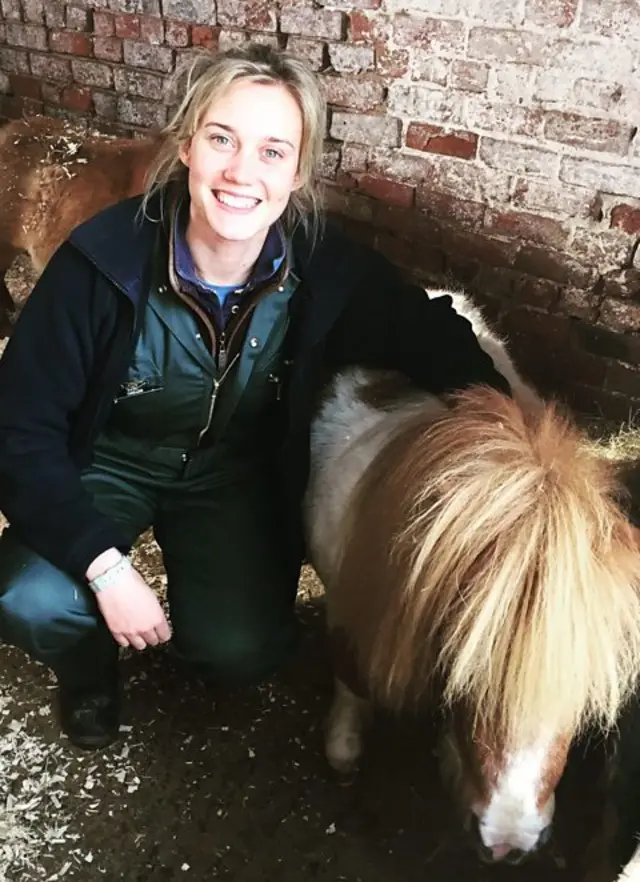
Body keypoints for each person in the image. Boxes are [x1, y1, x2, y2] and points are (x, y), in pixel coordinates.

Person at [0, 43, 509, 751]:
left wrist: (519, 428)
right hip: (109, 459)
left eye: (273, 151)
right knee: (30, 596)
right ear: (185, 148)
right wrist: (106, 568)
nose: (242, 172)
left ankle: (199, 627)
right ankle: (89, 669)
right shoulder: (100, 263)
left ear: (297, 172)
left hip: (227, 473)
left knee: (247, 650)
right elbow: (19, 430)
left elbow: (430, 332)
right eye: (222, 140)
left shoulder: (325, 267)